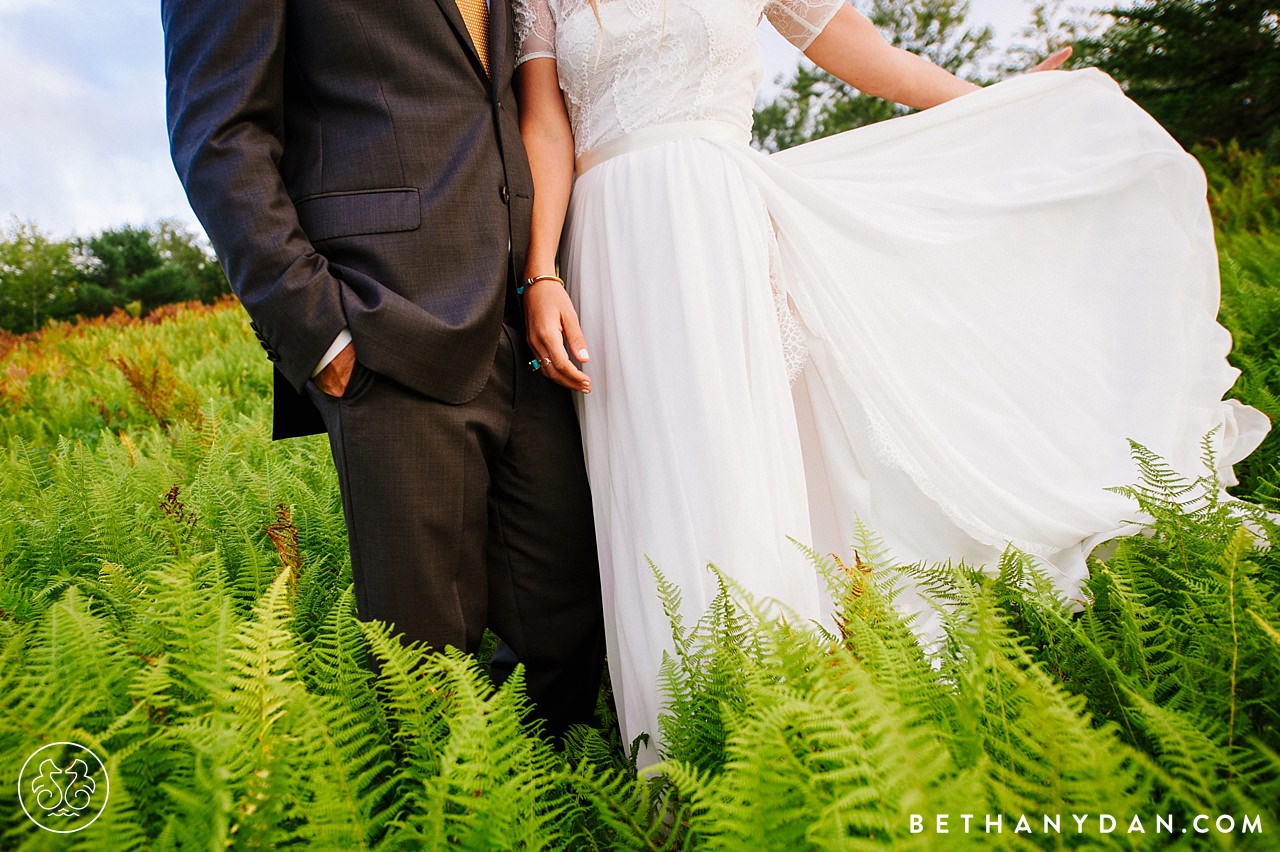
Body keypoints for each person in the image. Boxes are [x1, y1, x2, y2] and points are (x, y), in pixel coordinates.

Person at [511, 0, 1271, 763]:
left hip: (718, 223)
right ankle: (682, 759)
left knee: (735, 467)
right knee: (645, 489)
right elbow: (545, 128)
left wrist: (1000, 109)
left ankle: (791, 743)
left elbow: (872, 58)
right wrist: (541, 269)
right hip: (606, 244)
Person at [160, 0, 607, 738]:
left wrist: (541, 272)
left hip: (526, 315)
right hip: (385, 321)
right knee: (422, 659)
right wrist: (320, 330)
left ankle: (538, 813)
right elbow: (219, 135)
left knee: (567, 625)